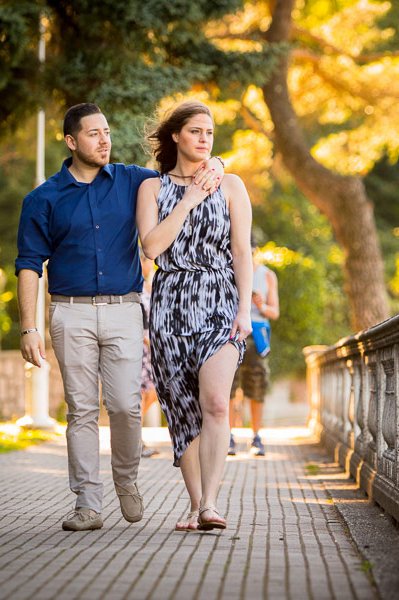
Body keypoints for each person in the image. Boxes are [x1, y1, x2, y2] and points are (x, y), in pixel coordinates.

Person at [16, 103, 225, 532]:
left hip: (126, 310)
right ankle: (88, 503)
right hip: (69, 315)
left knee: (128, 407)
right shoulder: (42, 199)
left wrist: (216, 161)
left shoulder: (134, 180)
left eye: (107, 132)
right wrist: (29, 327)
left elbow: (186, 169)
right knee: (81, 410)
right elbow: (28, 265)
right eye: (93, 134)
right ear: (71, 141)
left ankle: (126, 479)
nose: (104, 140)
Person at [136, 100, 252, 532]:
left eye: (210, 133)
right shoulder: (152, 189)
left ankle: (210, 503)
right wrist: (187, 200)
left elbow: (242, 252)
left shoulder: (232, 185)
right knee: (182, 410)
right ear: (175, 136)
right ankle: (195, 503)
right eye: (196, 132)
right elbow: (151, 248)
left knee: (216, 402)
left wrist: (244, 309)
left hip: (220, 299)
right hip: (170, 305)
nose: (205, 140)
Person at [228, 236, 279, 456]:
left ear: (254, 250)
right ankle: (227, 437)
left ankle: (256, 437)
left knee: (257, 385)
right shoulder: (227, 270)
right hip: (231, 332)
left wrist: (261, 305)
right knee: (228, 386)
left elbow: (274, 312)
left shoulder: (267, 275)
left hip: (257, 334)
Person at [139, 251, 160, 458]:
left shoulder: (148, 286)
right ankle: (136, 440)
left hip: (151, 345)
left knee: (153, 392)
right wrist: (147, 341)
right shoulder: (134, 288)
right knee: (141, 393)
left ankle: (132, 433)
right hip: (141, 346)